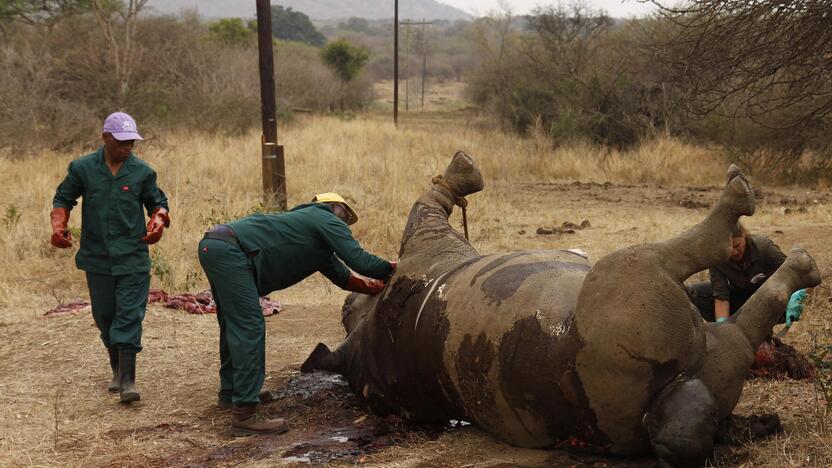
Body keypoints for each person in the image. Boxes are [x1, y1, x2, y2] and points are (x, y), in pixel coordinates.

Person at [198, 193, 396, 436]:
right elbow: (359, 260)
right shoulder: (322, 216)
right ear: (331, 206)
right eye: (344, 216)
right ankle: (244, 415)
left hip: (217, 246)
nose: (344, 225)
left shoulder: (312, 240)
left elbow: (344, 277)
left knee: (233, 323)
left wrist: (371, 286)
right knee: (249, 326)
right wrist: (391, 269)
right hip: (231, 252)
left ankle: (231, 394)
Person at [50, 112, 170, 404]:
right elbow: (63, 197)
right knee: (105, 316)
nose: (128, 147)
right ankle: (116, 370)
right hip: (97, 256)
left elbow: (158, 203)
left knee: (129, 315)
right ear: (106, 138)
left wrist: (158, 221)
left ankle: (128, 381)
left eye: (132, 142)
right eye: (122, 142)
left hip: (133, 256)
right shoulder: (82, 168)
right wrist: (59, 225)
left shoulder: (142, 172)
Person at [688, 222, 807, 325]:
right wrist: (722, 326)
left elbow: (795, 274)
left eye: (736, 245)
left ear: (744, 234)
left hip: (769, 298)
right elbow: (721, 297)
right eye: (728, 249)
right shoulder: (718, 258)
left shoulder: (765, 248)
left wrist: (796, 297)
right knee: (697, 293)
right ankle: (734, 331)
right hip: (742, 298)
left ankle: (764, 335)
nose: (733, 252)